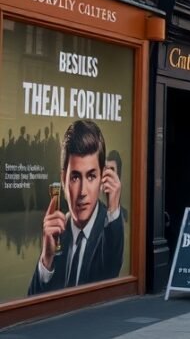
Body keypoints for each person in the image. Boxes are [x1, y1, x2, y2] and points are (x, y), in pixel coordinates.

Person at [29, 120, 124, 295]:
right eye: (74, 178)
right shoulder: (58, 231)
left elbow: (111, 268)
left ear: (103, 178)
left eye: (91, 176)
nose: (82, 192)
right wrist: (46, 259)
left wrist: (113, 208)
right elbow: (31, 305)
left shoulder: (109, 228)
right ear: (63, 180)